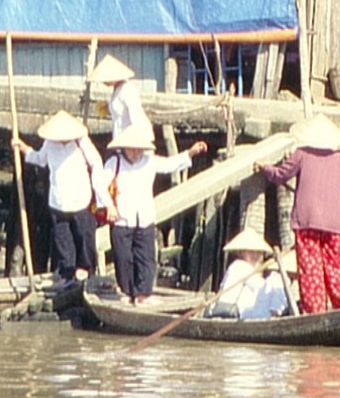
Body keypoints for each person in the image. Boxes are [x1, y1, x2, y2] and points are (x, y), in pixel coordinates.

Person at [255, 113, 340, 314]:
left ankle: (315, 310)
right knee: (335, 265)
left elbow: (281, 175)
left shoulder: (301, 154)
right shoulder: (338, 158)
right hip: (332, 223)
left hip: (307, 220)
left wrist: (264, 167)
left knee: (311, 270)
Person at [101, 124, 206, 303]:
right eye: (131, 149)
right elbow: (100, 186)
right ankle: (127, 292)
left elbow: (169, 165)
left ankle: (143, 294)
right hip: (122, 218)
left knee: (146, 258)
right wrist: (109, 206)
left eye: (138, 149)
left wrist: (189, 153)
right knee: (123, 258)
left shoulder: (149, 161)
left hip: (145, 216)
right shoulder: (114, 163)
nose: (135, 153)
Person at [15, 110, 108, 285]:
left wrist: (100, 193)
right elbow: (40, 159)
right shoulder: (50, 143)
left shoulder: (81, 143)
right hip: (58, 200)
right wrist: (23, 148)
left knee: (84, 237)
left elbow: (96, 163)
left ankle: (86, 271)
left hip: (81, 199)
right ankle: (67, 275)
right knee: (62, 240)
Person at [204, 229, 292, 319]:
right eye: (251, 252)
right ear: (242, 252)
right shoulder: (240, 266)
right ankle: (274, 316)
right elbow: (261, 287)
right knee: (277, 280)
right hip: (230, 311)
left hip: (236, 311)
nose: (255, 255)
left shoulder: (243, 268)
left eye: (258, 252)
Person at [89, 53, 148, 142]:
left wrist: (140, 140)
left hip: (130, 138)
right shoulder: (117, 90)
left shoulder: (127, 90)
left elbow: (137, 116)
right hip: (119, 136)